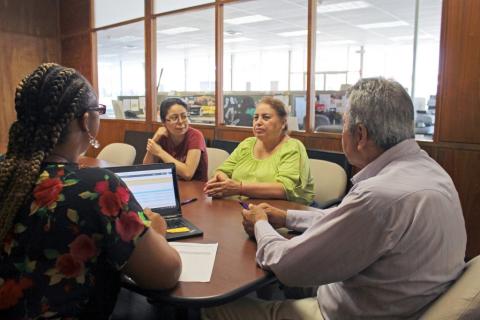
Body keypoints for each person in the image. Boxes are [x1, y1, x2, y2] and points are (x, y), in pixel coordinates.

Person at [203, 78, 467, 320]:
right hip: (394, 294)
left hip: (348, 311)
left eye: (343, 124)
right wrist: (285, 217)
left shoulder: (379, 196)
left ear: (360, 135)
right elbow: (345, 217)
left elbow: (285, 265)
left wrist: (260, 223)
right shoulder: (429, 170)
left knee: (214, 308)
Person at [0, 64, 181, 319]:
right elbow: (165, 275)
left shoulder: (6, 173)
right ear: (87, 121)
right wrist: (157, 232)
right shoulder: (98, 188)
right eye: (99, 110)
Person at [203, 97, 314, 206]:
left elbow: (284, 188)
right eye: (256, 118)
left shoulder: (293, 147)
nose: (258, 122)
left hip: (283, 213)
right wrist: (223, 185)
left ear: (283, 123)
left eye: (266, 118)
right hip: (242, 208)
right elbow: (221, 171)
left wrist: (238, 188)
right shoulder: (247, 144)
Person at [143, 97, 208, 181]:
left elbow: (187, 173)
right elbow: (146, 169)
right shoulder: (162, 136)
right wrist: (154, 140)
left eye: (184, 116)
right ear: (164, 122)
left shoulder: (195, 136)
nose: (181, 121)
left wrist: (159, 152)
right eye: (174, 118)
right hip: (170, 187)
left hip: (195, 189)